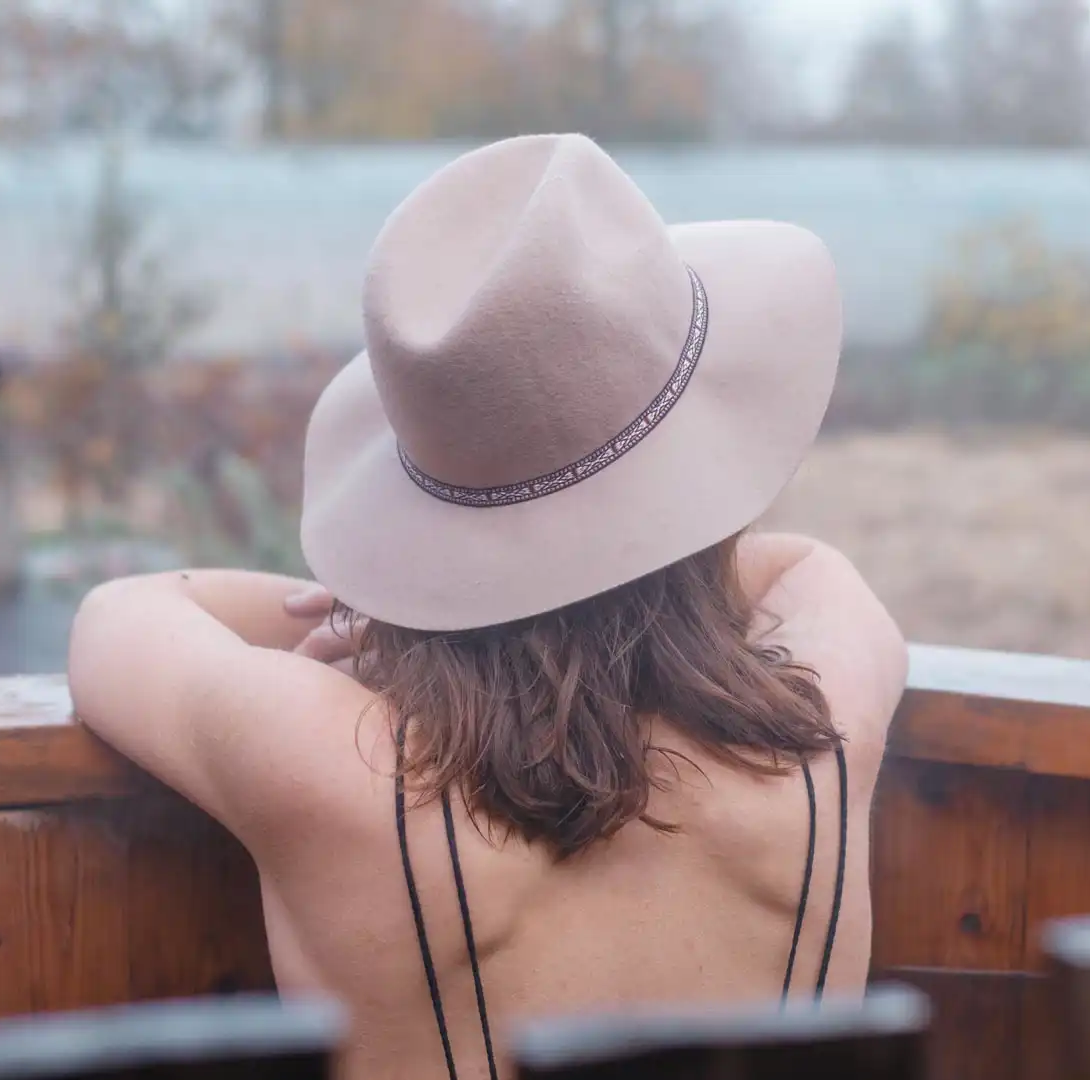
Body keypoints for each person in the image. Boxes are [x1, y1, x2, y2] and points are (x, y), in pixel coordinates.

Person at [67, 133, 908, 1080]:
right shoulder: (827, 729)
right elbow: (804, 564)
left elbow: (118, 617)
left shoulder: (329, 765)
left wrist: (395, 608)